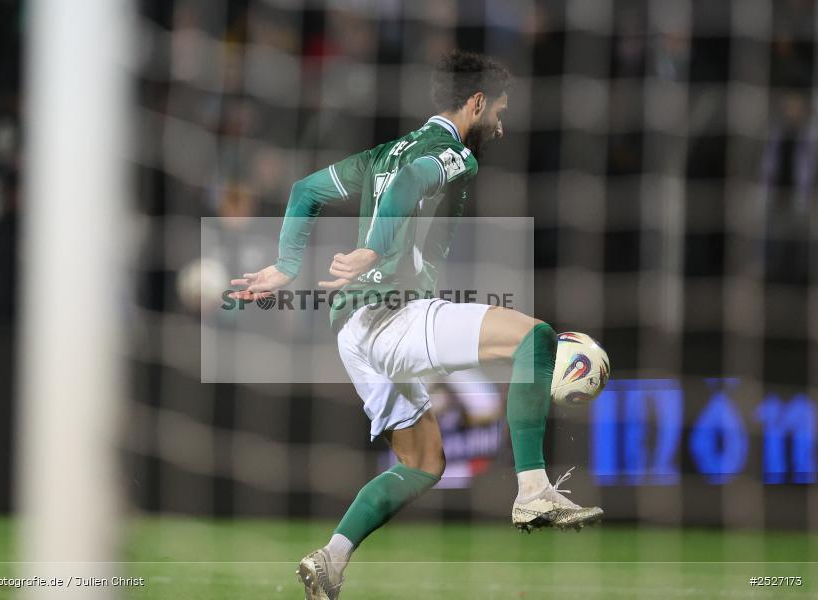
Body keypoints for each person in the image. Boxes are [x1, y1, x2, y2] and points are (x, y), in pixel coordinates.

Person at [230, 50, 602, 600]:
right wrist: (374, 249)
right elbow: (411, 182)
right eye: (498, 110)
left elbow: (304, 190)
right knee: (536, 337)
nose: (500, 124)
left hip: (352, 333)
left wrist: (288, 266)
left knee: (424, 461)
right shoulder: (454, 153)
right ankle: (533, 491)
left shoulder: (384, 151)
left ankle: (331, 559)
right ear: (475, 103)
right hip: (393, 314)